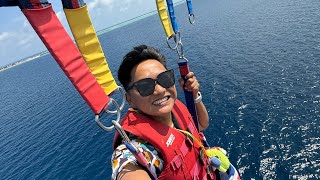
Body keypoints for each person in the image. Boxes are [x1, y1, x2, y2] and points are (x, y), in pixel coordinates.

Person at [111, 45, 240, 180]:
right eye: (145, 86)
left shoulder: (173, 108)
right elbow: (127, 166)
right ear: (130, 99)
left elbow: (202, 124)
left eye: (164, 78)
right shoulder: (137, 146)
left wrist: (195, 96)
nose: (160, 90)